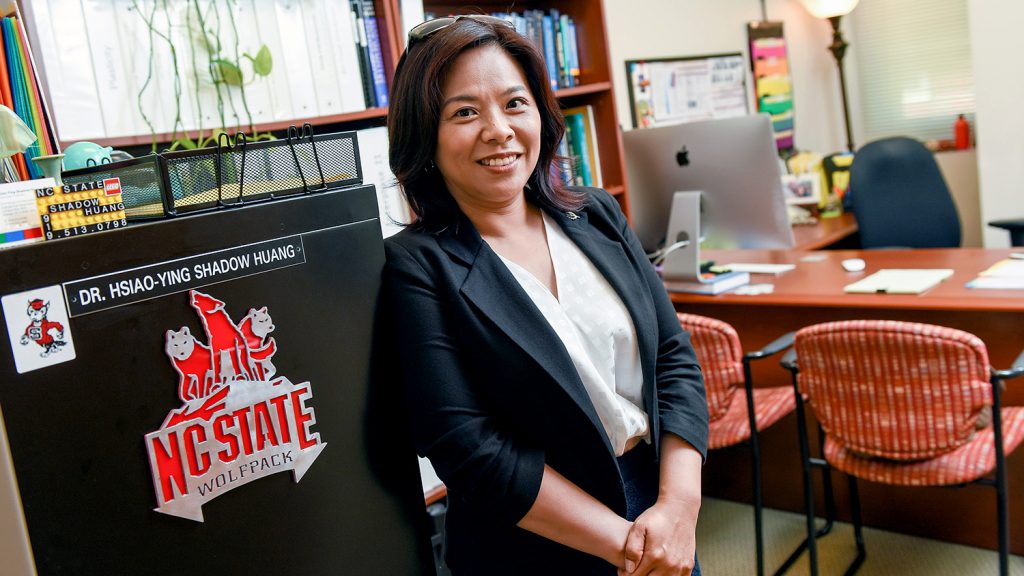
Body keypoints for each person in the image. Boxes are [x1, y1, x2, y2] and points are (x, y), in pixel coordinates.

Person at [382, 15, 708, 576]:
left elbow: (673, 360)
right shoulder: (415, 264)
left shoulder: (596, 214)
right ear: (425, 134)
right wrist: (626, 545)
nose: (498, 129)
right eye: (464, 112)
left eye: (514, 103)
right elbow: (468, 446)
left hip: (658, 512)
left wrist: (679, 507)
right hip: (535, 537)